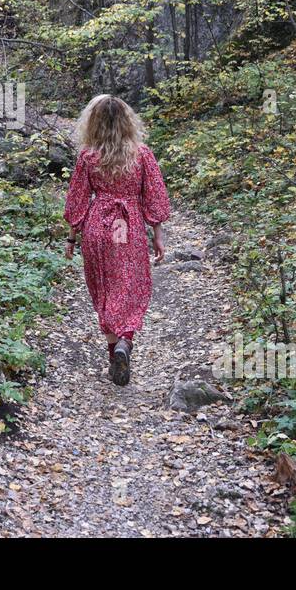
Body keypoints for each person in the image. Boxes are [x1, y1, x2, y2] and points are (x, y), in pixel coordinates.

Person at [63, 94, 170, 386]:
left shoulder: (88, 157)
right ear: (127, 120)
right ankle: (125, 340)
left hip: (98, 227)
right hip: (128, 226)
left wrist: (71, 239)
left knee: (105, 289)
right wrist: (158, 236)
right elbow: (155, 196)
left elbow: (77, 201)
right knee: (130, 286)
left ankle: (114, 352)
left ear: (93, 122)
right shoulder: (142, 153)